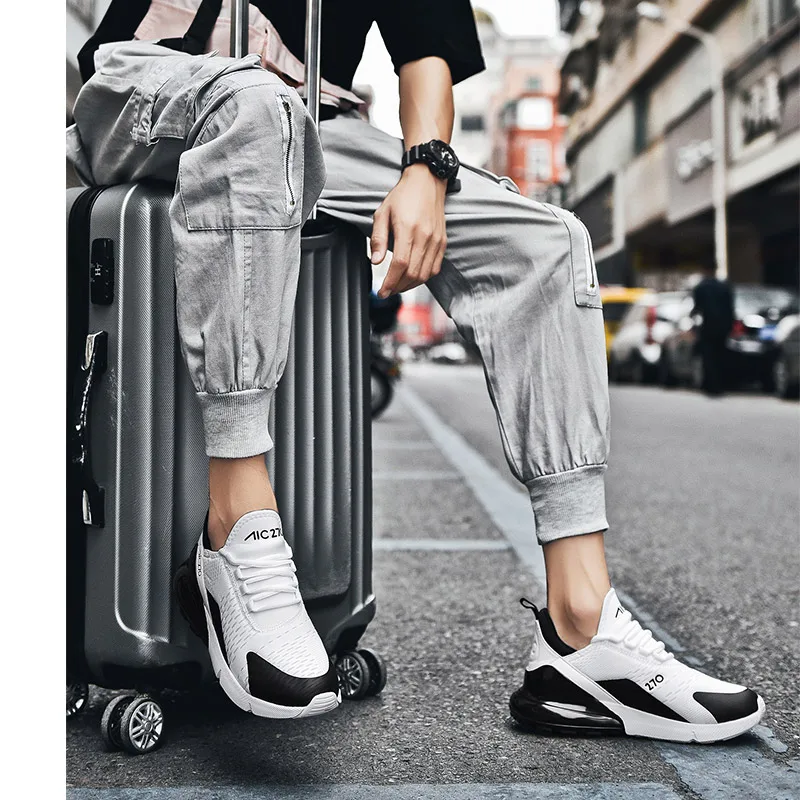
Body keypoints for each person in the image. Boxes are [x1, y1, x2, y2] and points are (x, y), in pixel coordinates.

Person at [67, 0, 764, 739]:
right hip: (154, 83)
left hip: (311, 118)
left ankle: (581, 631)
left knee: (547, 245)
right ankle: (236, 529)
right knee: (256, 107)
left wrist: (426, 168)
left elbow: (425, 40)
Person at [692, 265, 736, 396]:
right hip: (723, 327)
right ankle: (720, 384)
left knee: (708, 357)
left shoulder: (700, 288)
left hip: (708, 326)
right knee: (720, 356)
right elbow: (730, 308)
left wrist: (694, 323)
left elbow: (697, 308)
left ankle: (710, 385)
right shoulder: (724, 287)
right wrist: (730, 326)